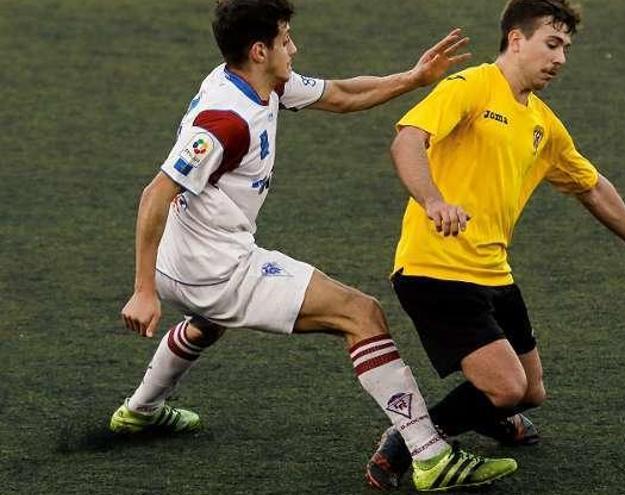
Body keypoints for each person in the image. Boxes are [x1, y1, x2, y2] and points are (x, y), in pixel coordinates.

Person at [109, 0, 517, 491]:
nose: (294, 47)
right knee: (361, 314)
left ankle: (141, 410)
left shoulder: (258, 82)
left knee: (210, 319)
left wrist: (412, 78)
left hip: (184, 256)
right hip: (215, 271)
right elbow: (156, 193)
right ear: (260, 50)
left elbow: (342, 94)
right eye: (286, 39)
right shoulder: (227, 121)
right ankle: (431, 456)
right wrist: (142, 290)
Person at [366, 0, 625, 488]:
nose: (560, 59)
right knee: (506, 386)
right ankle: (410, 439)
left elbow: (591, 186)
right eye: (551, 44)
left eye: (566, 48)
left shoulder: (543, 123)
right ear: (516, 39)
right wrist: (433, 201)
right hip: (436, 268)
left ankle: (487, 413)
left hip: (492, 273)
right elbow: (407, 140)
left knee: (530, 393)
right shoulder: (470, 86)